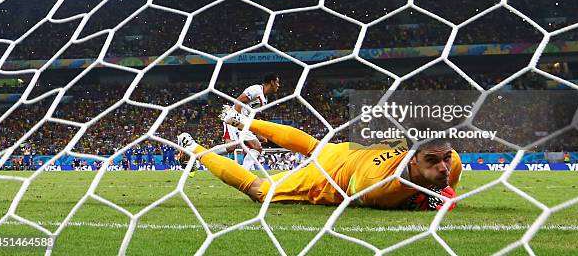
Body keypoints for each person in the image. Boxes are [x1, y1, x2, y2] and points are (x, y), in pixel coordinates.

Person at [177, 107, 461, 210]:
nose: (444, 167)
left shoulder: (452, 161)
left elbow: (443, 181)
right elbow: (361, 194)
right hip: (329, 177)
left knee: (313, 144)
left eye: (446, 158)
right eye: (433, 161)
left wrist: (439, 191)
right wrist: (429, 200)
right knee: (260, 191)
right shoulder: (379, 187)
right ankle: (194, 148)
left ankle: (244, 120)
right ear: (412, 160)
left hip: (349, 150)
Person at [222, 73, 280, 170]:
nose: (278, 85)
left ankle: (243, 172)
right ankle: (201, 156)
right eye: (277, 82)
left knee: (257, 148)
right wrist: (238, 120)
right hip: (234, 118)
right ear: (272, 82)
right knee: (231, 148)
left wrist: (257, 133)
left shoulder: (265, 99)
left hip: (243, 123)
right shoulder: (256, 89)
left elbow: (251, 116)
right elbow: (238, 101)